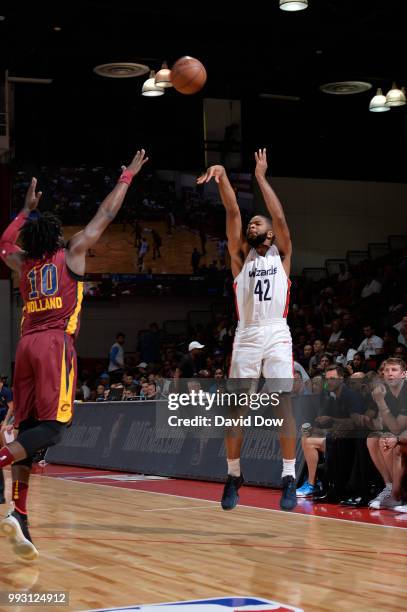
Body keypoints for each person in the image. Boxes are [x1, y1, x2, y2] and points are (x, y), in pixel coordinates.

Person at [0, 149, 148, 560]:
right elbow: (106, 214)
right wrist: (127, 177)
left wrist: (24, 212)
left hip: (25, 346)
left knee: (32, 436)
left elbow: (3, 244)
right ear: (57, 236)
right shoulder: (74, 254)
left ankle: (20, 513)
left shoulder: (23, 265)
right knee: (54, 429)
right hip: (53, 345)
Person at [197, 148, 297, 511]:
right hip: (248, 334)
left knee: (282, 403)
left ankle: (288, 475)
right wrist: (222, 176)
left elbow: (280, 215)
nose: (253, 226)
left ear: (270, 233)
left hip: (276, 333)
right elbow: (232, 211)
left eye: (259, 223)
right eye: (252, 224)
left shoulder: (282, 254)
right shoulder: (240, 258)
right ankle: (234, 474)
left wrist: (260, 177)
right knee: (236, 409)